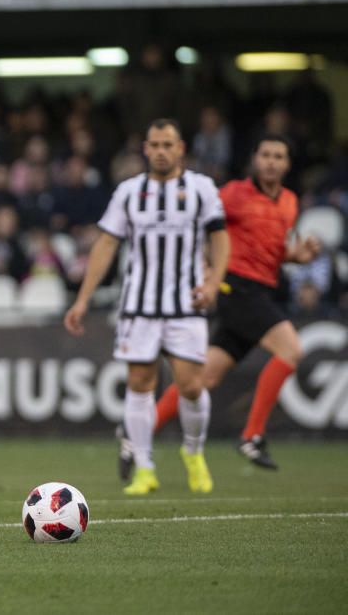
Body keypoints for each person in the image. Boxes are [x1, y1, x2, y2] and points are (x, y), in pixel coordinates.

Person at [132, 135, 320, 472]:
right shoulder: (234, 194)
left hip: (260, 291)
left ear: (288, 164)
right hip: (236, 287)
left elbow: (270, 251)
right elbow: (199, 224)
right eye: (266, 154)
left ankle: (137, 436)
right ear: (255, 159)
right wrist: (203, 266)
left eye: (279, 156)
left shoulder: (290, 201)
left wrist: (295, 256)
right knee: (291, 349)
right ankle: (252, 435)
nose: (272, 162)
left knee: (203, 379)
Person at [64, 119, 230, 495]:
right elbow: (106, 245)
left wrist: (212, 282)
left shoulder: (201, 189)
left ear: (180, 148)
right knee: (139, 384)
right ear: (145, 149)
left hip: (186, 304)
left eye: (167, 144)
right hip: (139, 304)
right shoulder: (129, 192)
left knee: (190, 386)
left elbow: (220, 239)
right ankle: (145, 467)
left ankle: (193, 451)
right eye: (154, 144)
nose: (160, 151)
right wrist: (83, 298)